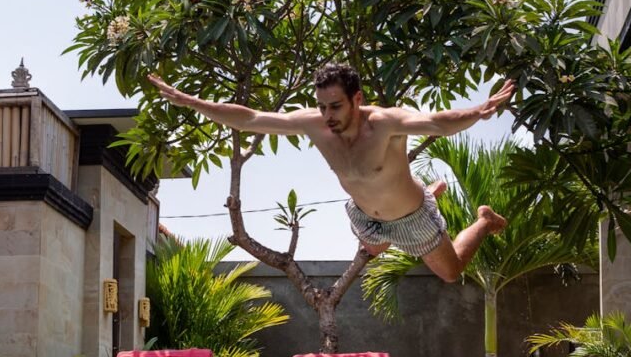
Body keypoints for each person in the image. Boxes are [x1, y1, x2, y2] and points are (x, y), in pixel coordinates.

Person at [148, 64, 513, 283]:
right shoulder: (315, 124)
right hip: (363, 214)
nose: (327, 116)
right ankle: (428, 193)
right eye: (322, 106)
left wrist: (478, 111)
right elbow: (251, 118)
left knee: (450, 274)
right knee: (372, 246)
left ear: (357, 99)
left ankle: (482, 220)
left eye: (336, 106)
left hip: (411, 216)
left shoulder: (387, 123)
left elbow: (437, 122)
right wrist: (195, 103)